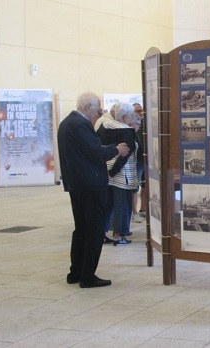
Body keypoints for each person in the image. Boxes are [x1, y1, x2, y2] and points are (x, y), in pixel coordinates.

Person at [57, 91, 129, 288]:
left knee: (81, 229)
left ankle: (76, 272)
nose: (98, 113)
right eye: (97, 110)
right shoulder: (79, 124)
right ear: (87, 107)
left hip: (77, 185)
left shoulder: (66, 123)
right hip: (90, 186)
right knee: (94, 230)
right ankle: (87, 275)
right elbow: (96, 153)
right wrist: (117, 149)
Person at [97, 103, 138, 246]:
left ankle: (101, 234)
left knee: (106, 205)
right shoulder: (127, 130)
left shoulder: (104, 126)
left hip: (105, 172)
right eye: (132, 115)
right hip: (122, 175)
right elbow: (125, 155)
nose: (133, 118)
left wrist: (108, 172)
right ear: (125, 116)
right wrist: (113, 172)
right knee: (123, 205)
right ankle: (119, 235)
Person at [131, 103, 146, 222]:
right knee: (135, 187)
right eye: (138, 110)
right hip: (137, 161)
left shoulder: (145, 123)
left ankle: (143, 209)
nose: (140, 112)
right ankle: (134, 212)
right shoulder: (131, 125)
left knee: (145, 185)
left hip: (146, 160)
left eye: (141, 110)